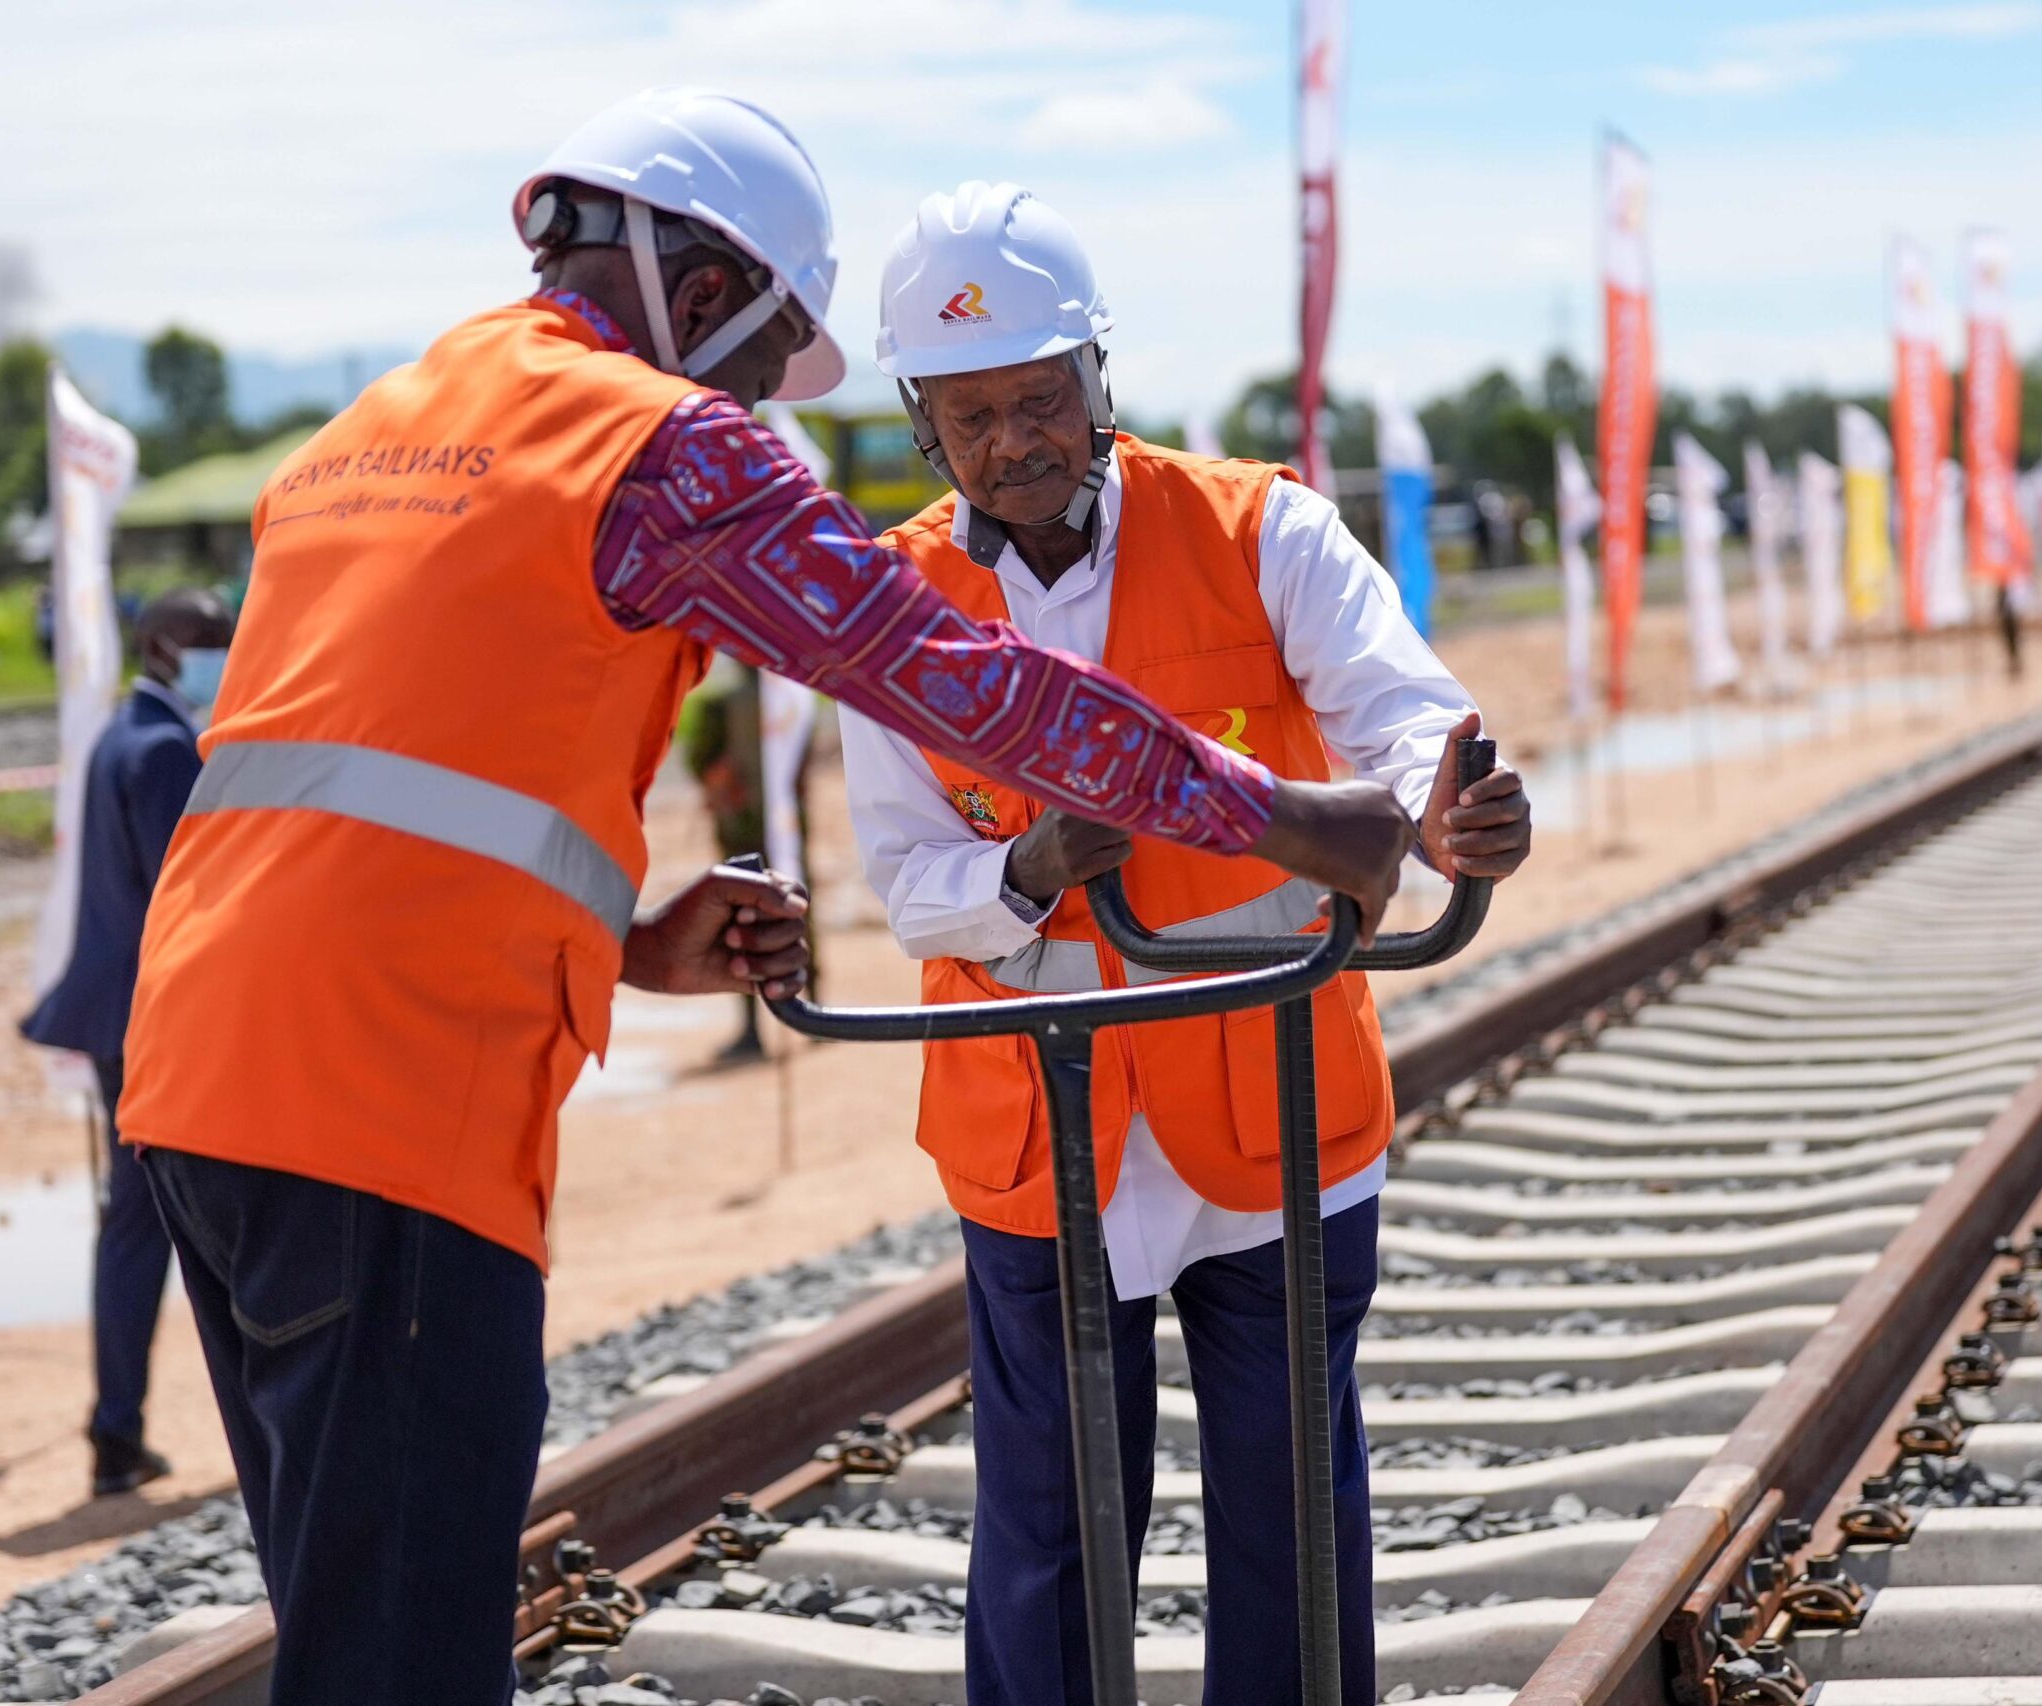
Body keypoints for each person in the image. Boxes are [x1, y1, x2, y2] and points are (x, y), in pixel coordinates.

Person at [116, 92, 1415, 1706]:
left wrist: (623, 941)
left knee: (351, 1621)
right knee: (408, 1658)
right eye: (760, 363)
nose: (750, 407)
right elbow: (963, 684)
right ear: (709, 291)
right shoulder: (654, 442)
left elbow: (361, 788)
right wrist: (1285, 816)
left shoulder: (378, 428)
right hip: (382, 1105)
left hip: (204, 1086)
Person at [842, 182, 1534, 1705]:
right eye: (972, 414)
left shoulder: (1261, 529)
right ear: (923, 425)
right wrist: (1022, 870)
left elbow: (1405, 715)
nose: (1014, 440)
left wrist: (1448, 812)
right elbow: (905, 881)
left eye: (1040, 396)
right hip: (1047, 1136)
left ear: (1098, 376)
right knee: (1048, 1528)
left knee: (1290, 1514)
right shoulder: (890, 606)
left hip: (1272, 1111)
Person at [19, 586, 233, 1498]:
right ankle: (120, 1431)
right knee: (169, 1223)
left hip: (118, 1018)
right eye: (210, 639)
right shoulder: (165, 750)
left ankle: (118, 1430)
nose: (224, 653)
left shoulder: (121, 733)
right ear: (161, 647)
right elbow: (197, 897)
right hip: (158, 1024)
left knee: (137, 1224)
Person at [676, 658, 808, 1064]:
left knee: (743, 922)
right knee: (797, 908)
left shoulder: (719, 704)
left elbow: (699, 758)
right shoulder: (792, 703)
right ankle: (814, 1010)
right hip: (785, 827)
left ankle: (753, 1029)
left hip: (740, 829)